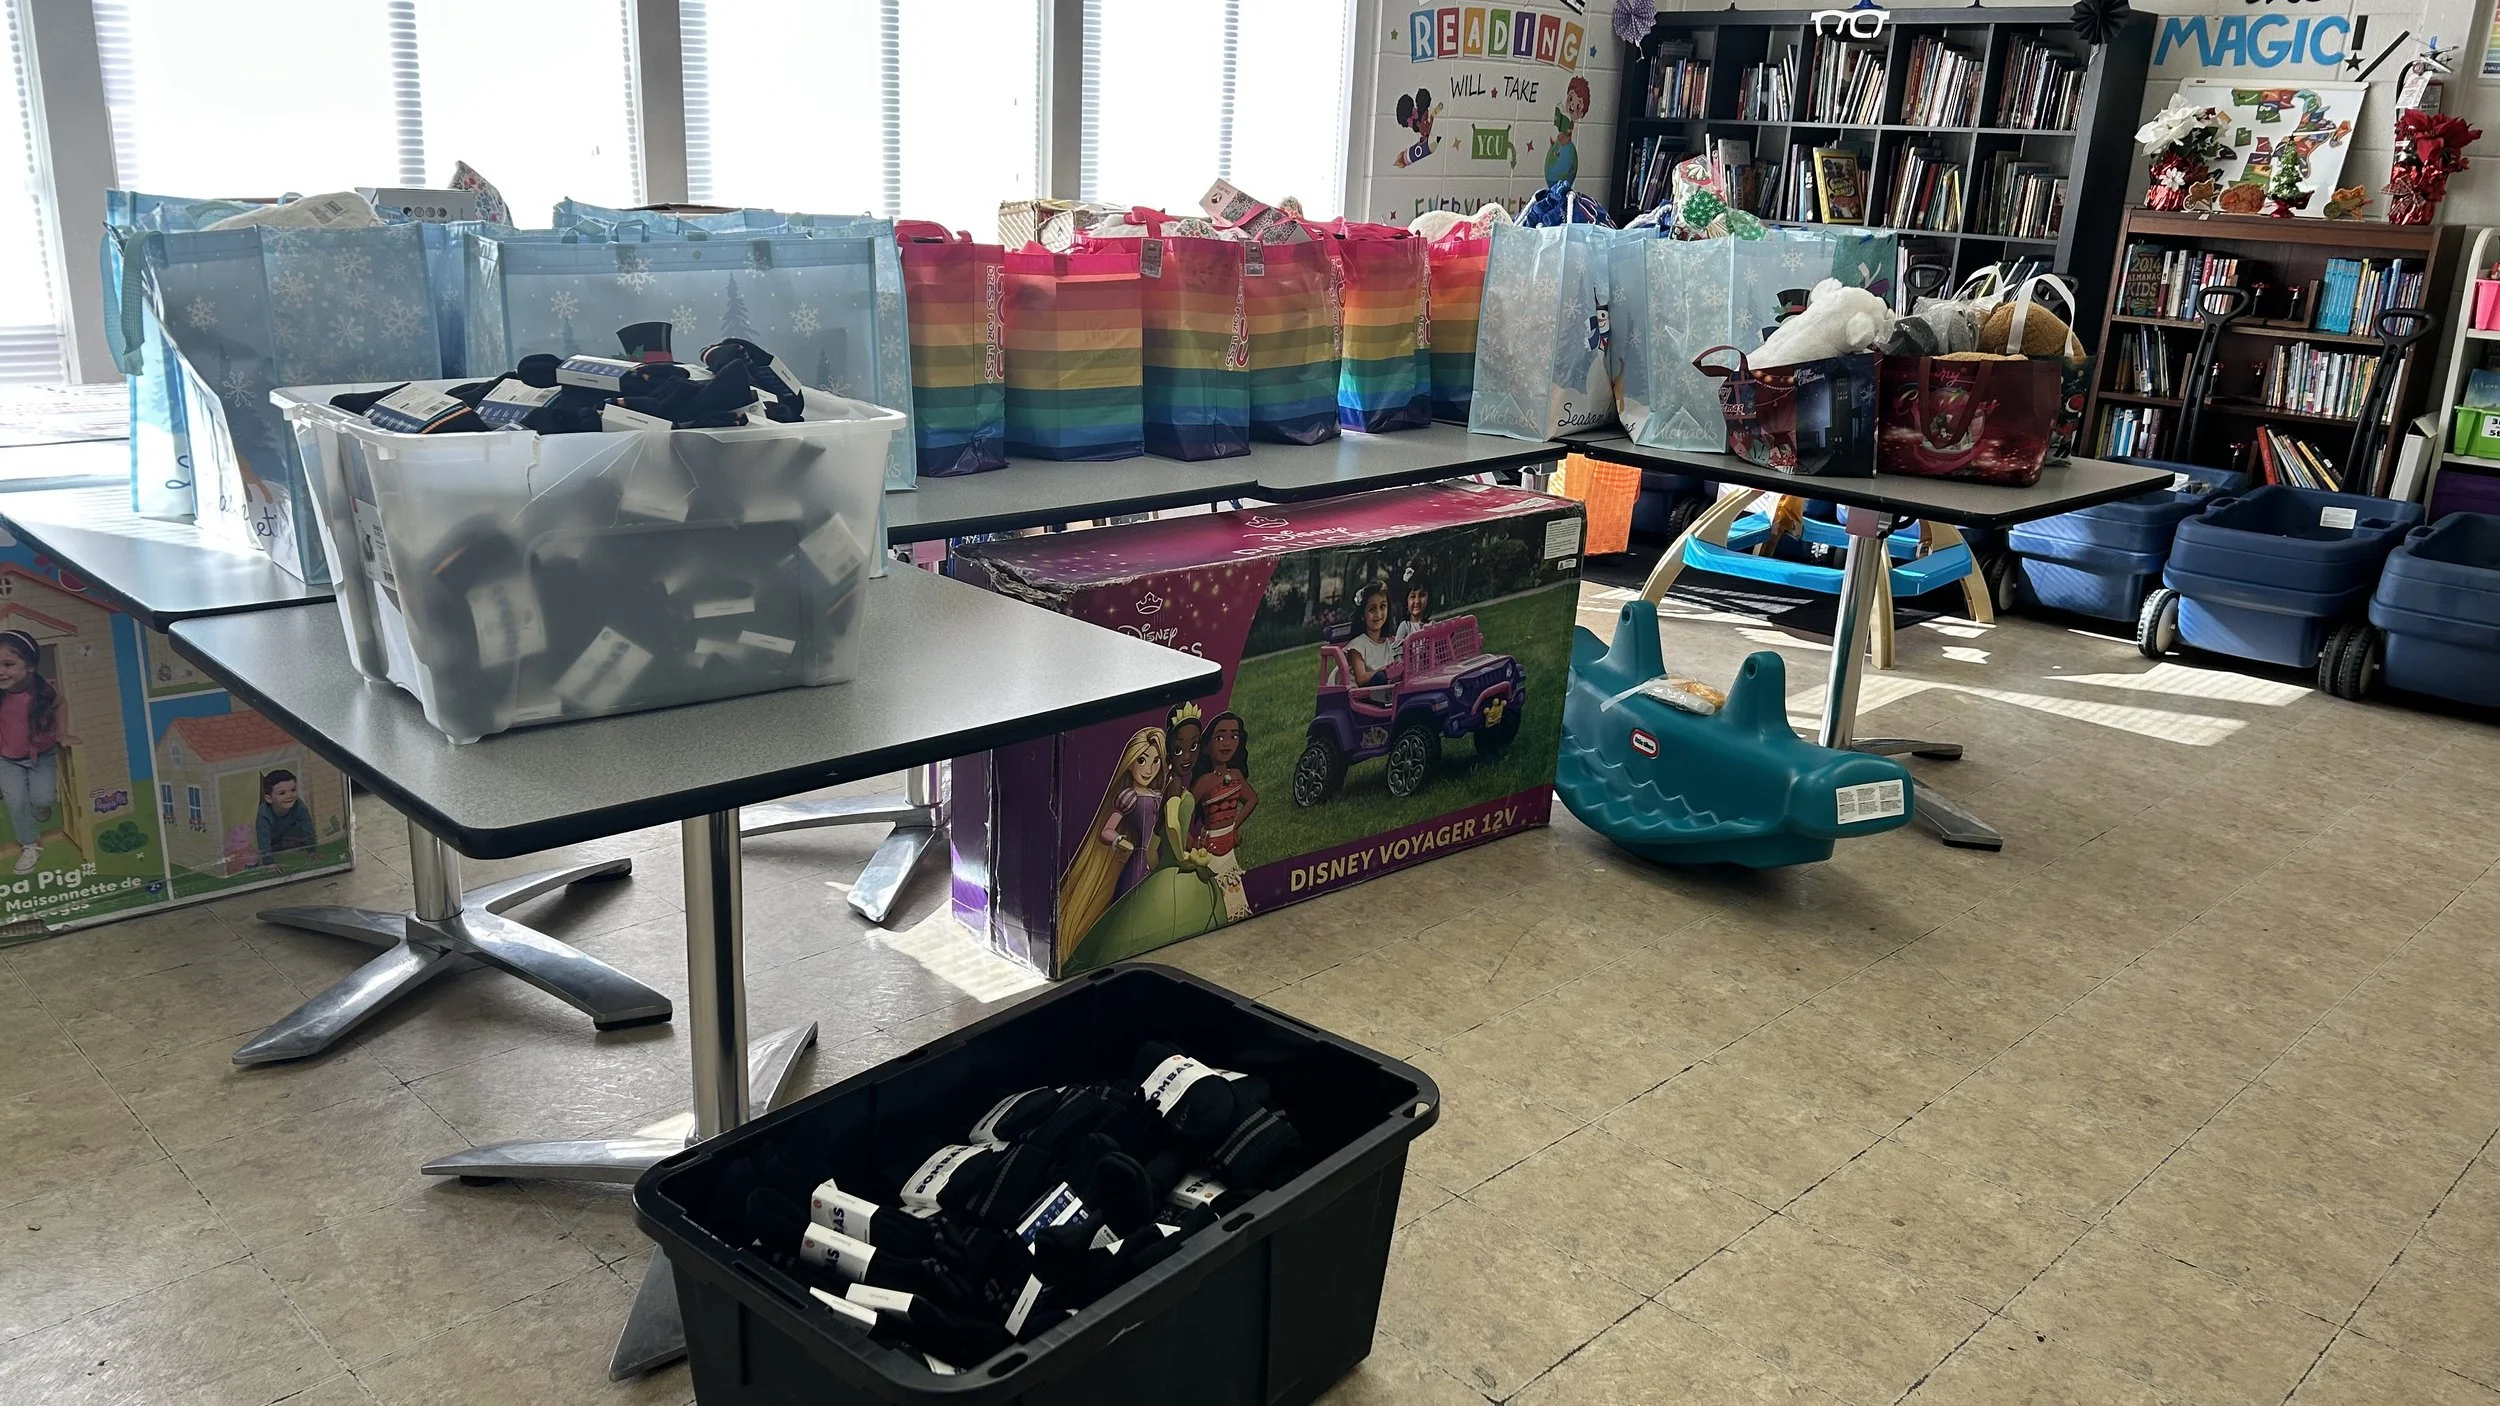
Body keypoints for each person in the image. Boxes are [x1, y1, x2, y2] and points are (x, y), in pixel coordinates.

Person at [1055, 726, 1167, 961]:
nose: (1148, 769)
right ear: (1131, 762)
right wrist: (1119, 840)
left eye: (1156, 761)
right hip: (1139, 860)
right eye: (1142, 760)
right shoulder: (1129, 797)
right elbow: (1106, 830)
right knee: (1128, 909)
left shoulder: (1159, 795)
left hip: (1159, 858)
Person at [0, 630, 64, 875]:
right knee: (16, 803)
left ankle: (40, 806)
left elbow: (62, 704)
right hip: (8, 760)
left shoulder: (45, 691)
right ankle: (30, 844)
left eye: (8, 664)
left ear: (30, 667)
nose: (1, 671)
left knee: (44, 799)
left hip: (41, 755)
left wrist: (63, 733)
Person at [1189, 713, 1257, 921]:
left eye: (1233, 736)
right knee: (1214, 890)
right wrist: (1192, 843)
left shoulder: (1235, 775)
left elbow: (1252, 799)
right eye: (1219, 737)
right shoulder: (1204, 782)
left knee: (1234, 891)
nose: (1227, 743)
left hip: (1229, 844)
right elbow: (1182, 813)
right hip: (1210, 849)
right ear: (1207, 745)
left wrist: (1235, 826)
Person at [255, 769, 317, 867]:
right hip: (273, 843)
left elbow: (308, 828)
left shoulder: (299, 806)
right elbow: (263, 839)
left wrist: (312, 850)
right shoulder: (264, 814)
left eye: (293, 790)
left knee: (299, 831)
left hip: (290, 839)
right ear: (269, 798)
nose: (290, 796)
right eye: (282, 793)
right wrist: (269, 863)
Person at [1345, 582, 1402, 689]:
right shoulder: (1357, 645)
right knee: (1379, 678)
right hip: (1367, 697)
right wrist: (1384, 672)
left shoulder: (1390, 643)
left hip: (1389, 693)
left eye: (1382, 606)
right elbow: (1361, 678)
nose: (1378, 614)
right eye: (1372, 609)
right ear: (1362, 615)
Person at [1395, 568, 1434, 640]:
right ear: (1406, 601)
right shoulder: (1405, 627)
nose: (1417, 601)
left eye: (1422, 595)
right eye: (1412, 596)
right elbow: (1397, 650)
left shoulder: (1432, 625)